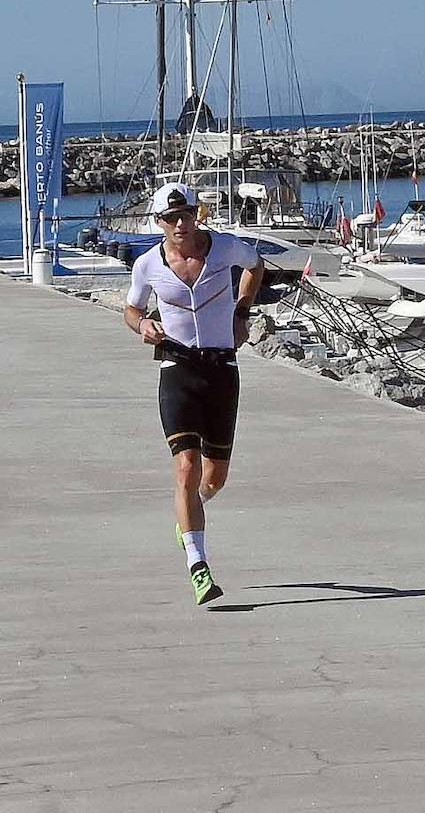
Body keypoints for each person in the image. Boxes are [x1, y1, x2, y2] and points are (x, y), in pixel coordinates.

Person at [123, 183, 265, 605]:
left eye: (187, 214)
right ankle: (198, 564)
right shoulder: (148, 264)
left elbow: (256, 267)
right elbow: (131, 309)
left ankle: (189, 513)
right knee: (185, 466)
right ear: (159, 223)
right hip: (177, 367)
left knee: (213, 479)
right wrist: (142, 326)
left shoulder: (225, 249)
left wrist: (242, 310)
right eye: (171, 218)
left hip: (221, 368)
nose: (181, 224)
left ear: (197, 214)